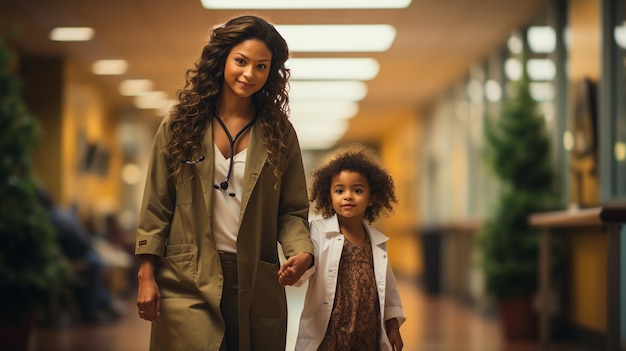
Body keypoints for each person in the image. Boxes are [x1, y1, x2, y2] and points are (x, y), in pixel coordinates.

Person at [134, 15, 314, 351]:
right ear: (222, 60)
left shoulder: (279, 133)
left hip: (253, 276)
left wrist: (301, 251)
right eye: (241, 61)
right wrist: (146, 274)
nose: (249, 74)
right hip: (186, 274)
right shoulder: (180, 125)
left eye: (262, 66)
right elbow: (157, 205)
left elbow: (291, 211)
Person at [284, 145, 405, 351]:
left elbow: (389, 291)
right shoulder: (317, 232)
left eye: (357, 190)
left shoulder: (377, 242)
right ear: (329, 197)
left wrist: (393, 327)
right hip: (329, 335)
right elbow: (308, 264)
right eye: (339, 190)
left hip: (367, 335)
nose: (348, 196)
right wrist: (297, 271)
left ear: (372, 197)